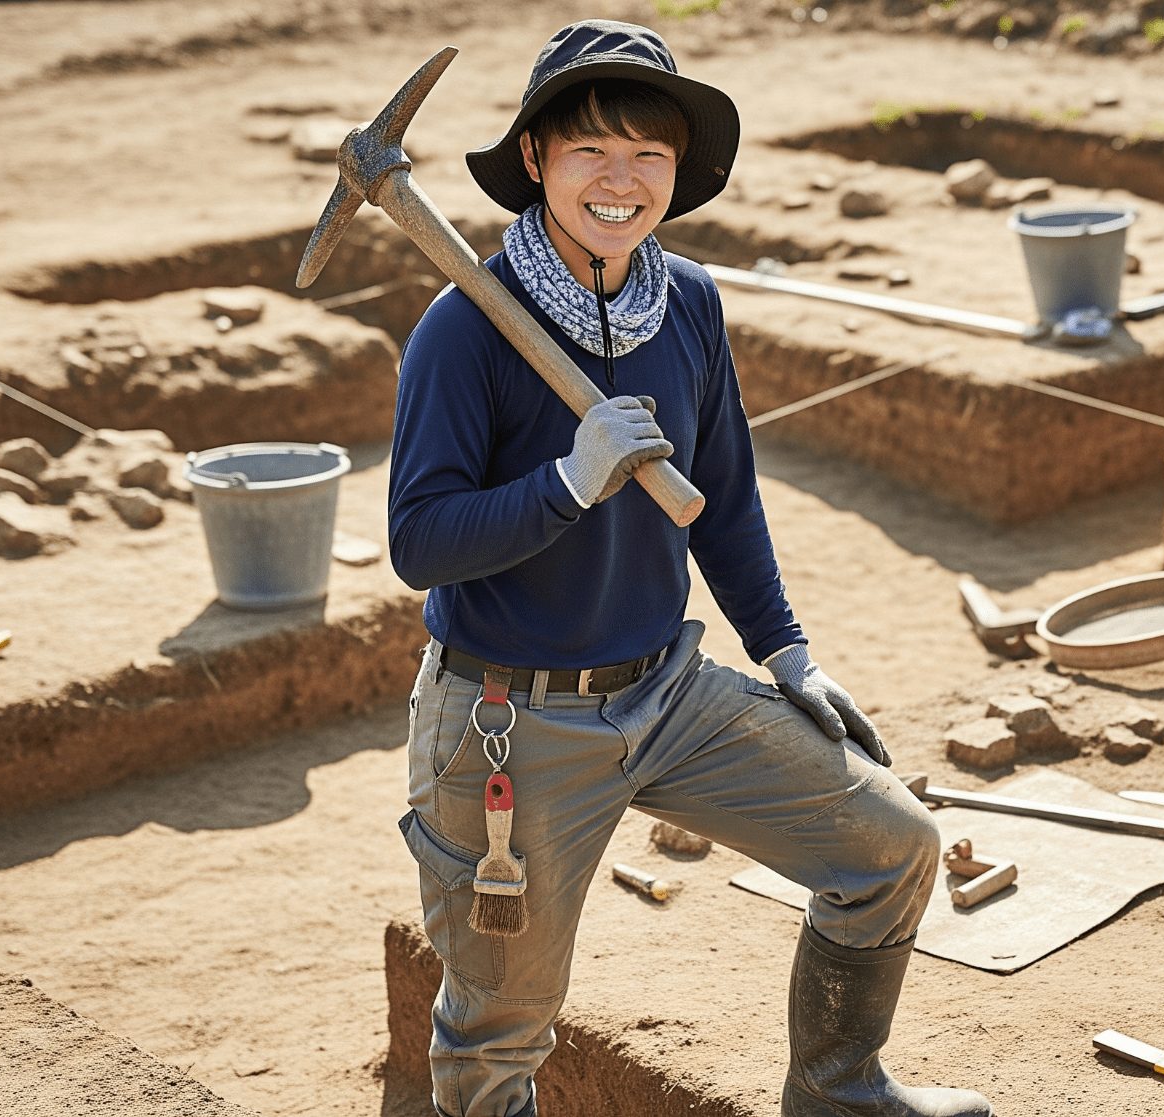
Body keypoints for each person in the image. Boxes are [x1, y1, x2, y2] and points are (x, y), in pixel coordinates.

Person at [386, 20, 993, 1117]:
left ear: (677, 172)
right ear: (533, 159)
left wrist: (787, 652)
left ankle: (837, 1092)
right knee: (495, 1032)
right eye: (589, 152)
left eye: (647, 157)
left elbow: (724, 496)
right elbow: (418, 543)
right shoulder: (462, 330)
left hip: (669, 693)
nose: (619, 182)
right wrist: (568, 482)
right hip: (508, 724)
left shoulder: (688, 302)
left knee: (890, 847)